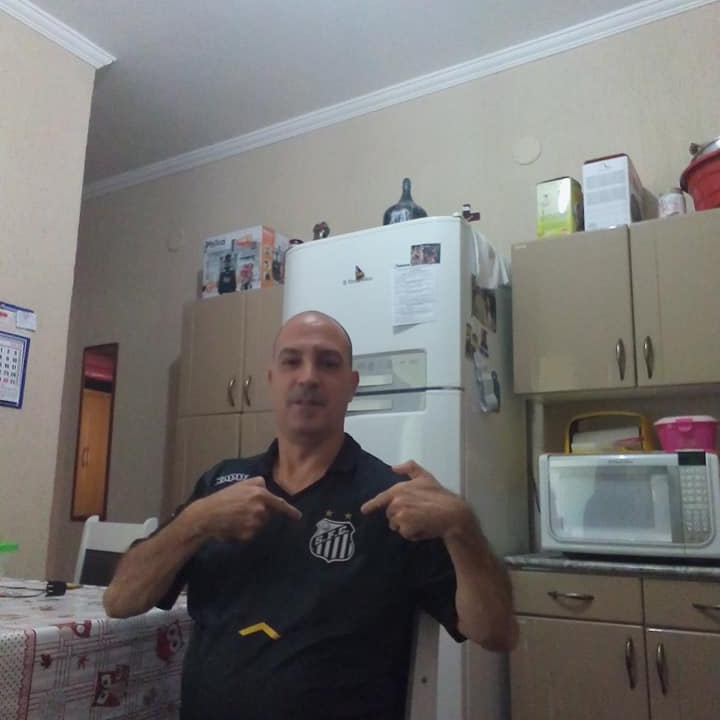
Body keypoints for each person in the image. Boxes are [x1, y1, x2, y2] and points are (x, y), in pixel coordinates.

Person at [103, 310, 517, 720]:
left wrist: (462, 528)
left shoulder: (393, 499)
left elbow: (497, 633)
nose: (308, 377)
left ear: (352, 385)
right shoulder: (220, 485)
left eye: (328, 363)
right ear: (271, 380)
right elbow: (120, 600)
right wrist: (196, 521)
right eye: (291, 361)